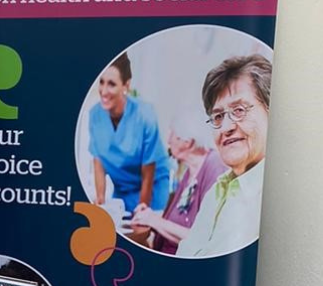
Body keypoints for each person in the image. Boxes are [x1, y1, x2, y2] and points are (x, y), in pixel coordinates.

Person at [175, 54, 272, 259]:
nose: (226, 127)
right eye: (218, 116)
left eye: (239, 110)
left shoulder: (277, 198)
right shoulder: (216, 192)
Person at [131, 113, 228, 254]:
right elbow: (177, 220)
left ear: (187, 142)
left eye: (172, 134)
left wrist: (154, 221)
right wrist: (149, 216)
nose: (168, 141)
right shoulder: (190, 171)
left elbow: (204, 239)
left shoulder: (215, 165)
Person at [88, 52, 170, 215]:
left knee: (144, 233)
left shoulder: (145, 115)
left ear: (126, 86)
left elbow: (149, 169)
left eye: (111, 84)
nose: (103, 91)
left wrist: (143, 209)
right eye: (101, 82)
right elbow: (98, 162)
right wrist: (100, 199)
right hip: (122, 191)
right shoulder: (95, 115)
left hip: (151, 189)